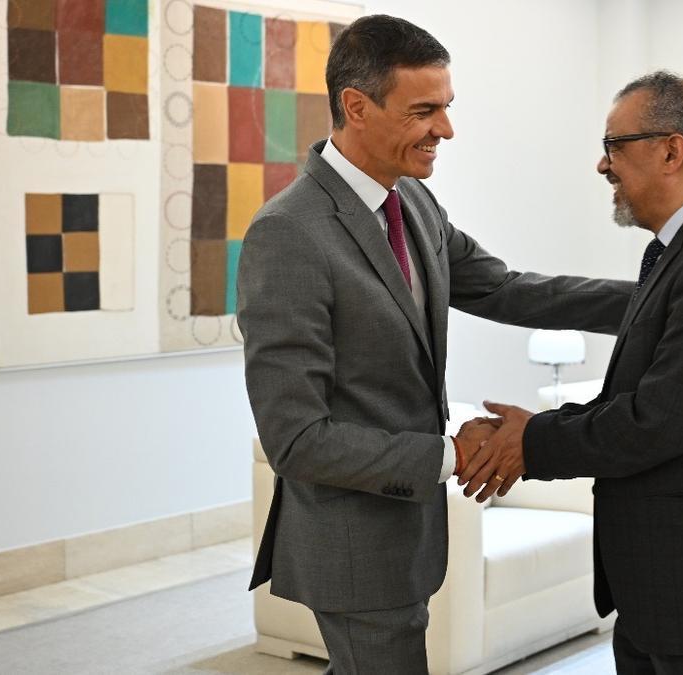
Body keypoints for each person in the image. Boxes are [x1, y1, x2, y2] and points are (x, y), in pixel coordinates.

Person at [236, 15, 632, 674]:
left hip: (408, 534)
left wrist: (656, 298)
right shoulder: (289, 235)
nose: (445, 129)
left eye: (446, 108)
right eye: (425, 111)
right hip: (353, 545)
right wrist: (451, 453)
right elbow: (296, 438)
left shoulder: (413, 202)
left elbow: (507, 289)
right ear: (356, 107)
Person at [460, 71, 683, 674]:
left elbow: (659, 420)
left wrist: (531, 439)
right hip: (671, 594)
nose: (602, 166)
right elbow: (585, 302)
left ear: (671, 149)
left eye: (613, 146)